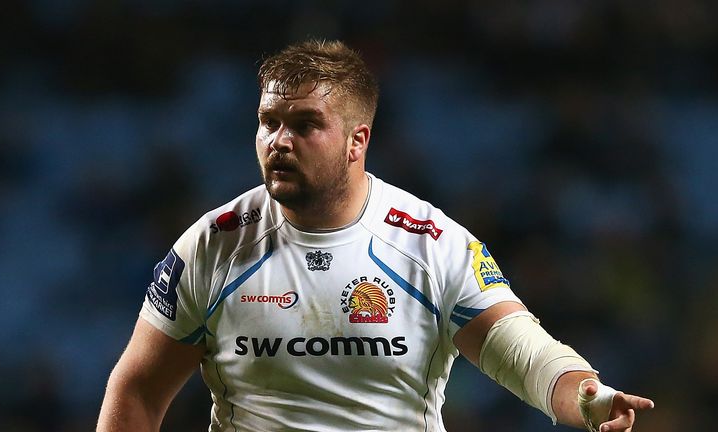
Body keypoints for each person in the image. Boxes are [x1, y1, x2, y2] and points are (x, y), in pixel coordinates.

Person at [97, 40, 654, 432]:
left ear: (357, 140)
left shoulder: (429, 243)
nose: (279, 141)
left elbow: (525, 355)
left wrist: (586, 396)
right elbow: (138, 389)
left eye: (306, 124)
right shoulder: (213, 245)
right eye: (269, 121)